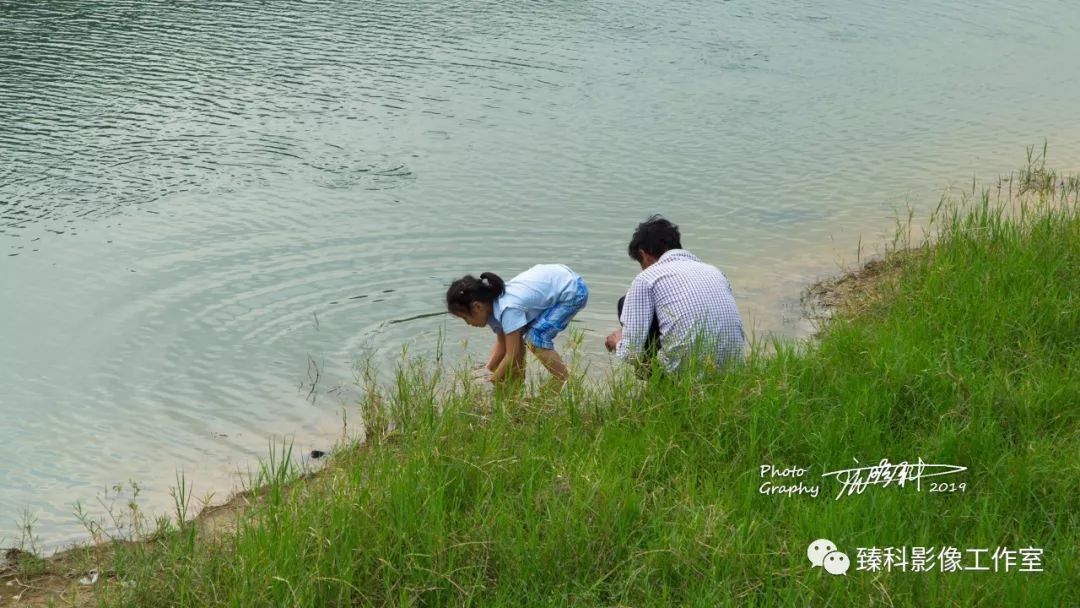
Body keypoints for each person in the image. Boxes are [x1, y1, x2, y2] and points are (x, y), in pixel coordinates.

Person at [605, 215, 744, 374]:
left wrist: (618, 342)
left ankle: (659, 383)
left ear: (643, 254)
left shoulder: (647, 278)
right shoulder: (715, 272)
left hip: (685, 375)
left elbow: (631, 353)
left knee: (625, 303)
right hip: (732, 372)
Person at [447, 264, 588, 387]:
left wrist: (492, 380)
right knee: (518, 339)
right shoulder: (492, 310)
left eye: (465, 317)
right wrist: (487, 369)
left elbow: (511, 354)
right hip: (558, 279)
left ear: (478, 307)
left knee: (535, 339)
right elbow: (503, 345)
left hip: (572, 290)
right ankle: (519, 381)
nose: (467, 323)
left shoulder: (508, 309)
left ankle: (564, 380)